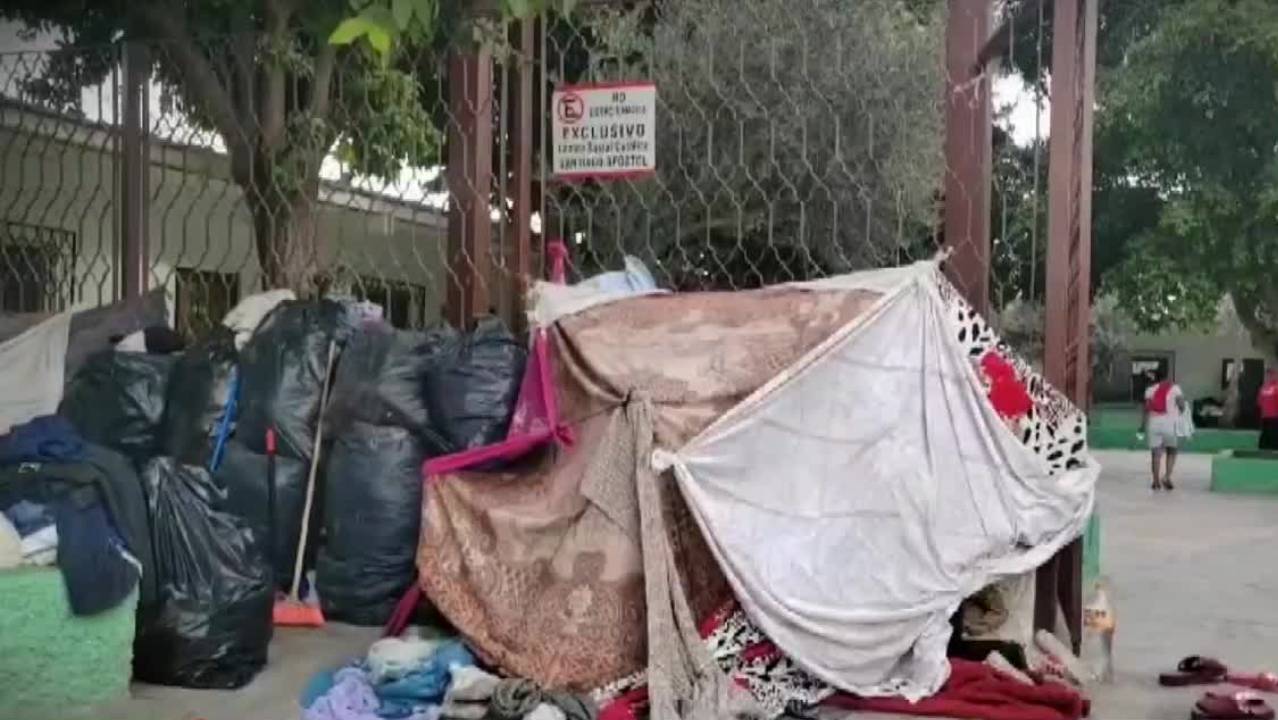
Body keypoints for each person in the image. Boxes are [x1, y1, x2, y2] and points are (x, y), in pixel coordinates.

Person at [1141, 368, 1187, 490]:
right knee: (1172, 451)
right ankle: (1166, 477)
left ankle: (1156, 482)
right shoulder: (1175, 388)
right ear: (1166, 377)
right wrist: (1180, 413)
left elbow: (1146, 410)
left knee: (1156, 454)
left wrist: (1141, 426)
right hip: (1170, 425)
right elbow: (1182, 405)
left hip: (1154, 424)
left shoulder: (1149, 390)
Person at [1258, 368, 1278, 451]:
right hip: (1267, 414)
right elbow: (1259, 401)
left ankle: (1270, 447)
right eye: (1267, 375)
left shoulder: (1275, 386)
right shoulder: (1263, 388)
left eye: (1270, 375)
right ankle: (1266, 447)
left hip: (1272, 414)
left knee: (1271, 431)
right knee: (1267, 431)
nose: (1268, 377)